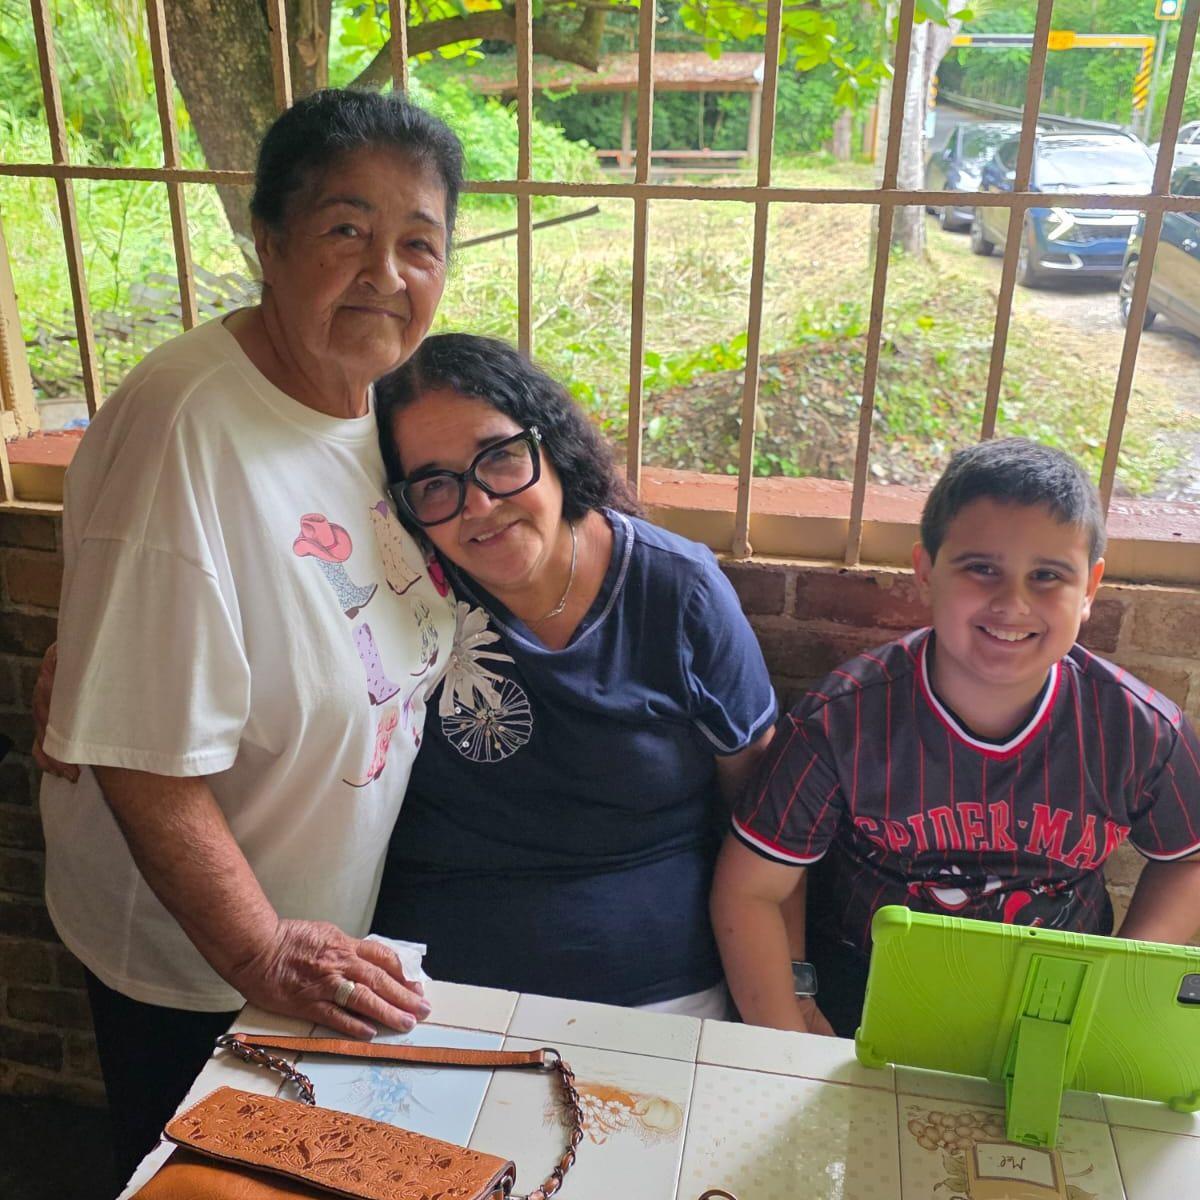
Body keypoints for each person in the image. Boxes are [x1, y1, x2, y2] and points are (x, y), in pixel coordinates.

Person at [36, 88, 465, 1181]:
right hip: (197, 959)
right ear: (268, 242)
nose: (386, 272)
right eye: (345, 230)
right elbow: (141, 754)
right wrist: (262, 949)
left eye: (419, 243)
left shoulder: (379, 401)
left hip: (315, 932)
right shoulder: (187, 427)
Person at [711, 438, 1200, 1038]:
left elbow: (1190, 860)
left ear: (1091, 588)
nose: (1012, 603)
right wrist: (793, 1028)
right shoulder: (839, 723)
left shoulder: (1139, 730)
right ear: (926, 572)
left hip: (1054, 998)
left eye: (1048, 576)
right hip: (867, 988)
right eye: (981, 568)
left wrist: (1118, 983)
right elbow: (752, 891)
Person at [370, 333, 778, 1016]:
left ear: (550, 446)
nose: (478, 505)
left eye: (498, 458)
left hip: (660, 993)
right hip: (433, 994)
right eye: (435, 484)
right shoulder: (400, 594)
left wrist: (783, 1000)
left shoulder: (678, 591)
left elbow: (763, 818)